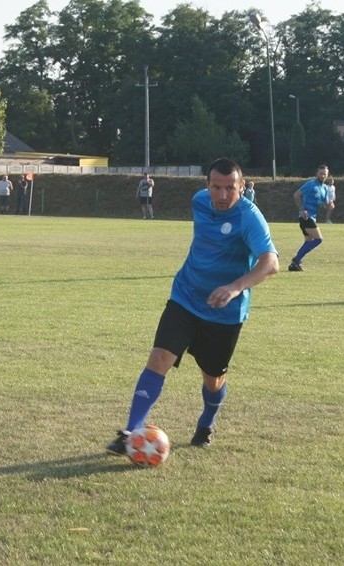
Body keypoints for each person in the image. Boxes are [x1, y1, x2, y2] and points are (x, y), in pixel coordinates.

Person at [106, 158, 279, 454]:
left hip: (224, 313)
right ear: (206, 185)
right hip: (185, 297)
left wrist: (234, 287)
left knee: (213, 379)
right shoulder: (199, 201)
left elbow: (271, 263)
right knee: (160, 357)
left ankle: (206, 422)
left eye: (230, 188)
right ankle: (131, 431)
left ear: (242, 186)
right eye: (216, 187)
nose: (222, 195)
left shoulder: (249, 217)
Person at [289, 164, 330, 271]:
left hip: (313, 217)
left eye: (324, 174)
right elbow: (296, 195)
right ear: (317, 173)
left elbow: (325, 204)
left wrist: (329, 205)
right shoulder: (311, 184)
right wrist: (302, 210)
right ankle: (296, 260)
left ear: (327, 175)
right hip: (306, 217)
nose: (322, 175)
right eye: (320, 173)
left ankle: (295, 264)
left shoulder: (325, 188)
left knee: (308, 241)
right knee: (318, 239)